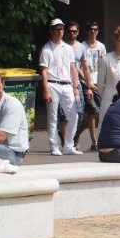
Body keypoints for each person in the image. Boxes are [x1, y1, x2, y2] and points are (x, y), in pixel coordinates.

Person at [39, 18, 82, 156]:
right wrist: (46, 90)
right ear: (51, 31)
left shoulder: (68, 48)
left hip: (67, 84)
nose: (60, 32)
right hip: (52, 84)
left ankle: (68, 145)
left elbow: (73, 68)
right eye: (57, 29)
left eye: (61, 29)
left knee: (74, 115)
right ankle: (54, 146)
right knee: (53, 116)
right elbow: (44, 72)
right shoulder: (46, 49)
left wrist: (75, 86)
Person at [75, 20, 106, 151]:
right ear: (87, 31)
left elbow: (104, 65)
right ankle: (95, 142)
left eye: (96, 29)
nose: (93, 32)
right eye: (91, 30)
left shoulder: (101, 47)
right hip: (86, 83)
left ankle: (75, 135)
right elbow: (78, 67)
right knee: (92, 112)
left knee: (95, 114)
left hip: (99, 83)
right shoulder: (82, 47)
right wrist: (88, 84)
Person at [63, 20, 86, 149]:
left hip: (77, 84)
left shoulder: (81, 47)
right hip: (64, 83)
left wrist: (88, 84)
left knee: (80, 113)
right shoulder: (63, 46)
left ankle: (72, 137)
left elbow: (82, 67)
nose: (72, 33)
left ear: (78, 32)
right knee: (63, 115)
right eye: (70, 31)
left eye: (75, 31)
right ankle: (66, 141)